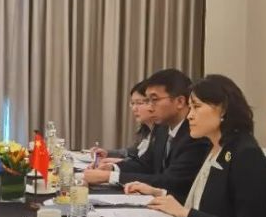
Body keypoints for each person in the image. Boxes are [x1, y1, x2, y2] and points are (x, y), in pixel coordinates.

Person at [126, 75, 266, 217]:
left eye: (196, 107)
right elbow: (206, 204)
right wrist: (159, 193)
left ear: (223, 109)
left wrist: (186, 214)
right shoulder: (215, 146)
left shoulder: (245, 154)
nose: (190, 116)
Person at [83, 69, 210, 201]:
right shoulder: (162, 127)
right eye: (147, 101)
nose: (149, 107)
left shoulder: (195, 135)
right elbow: (145, 164)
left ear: (180, 102)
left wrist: (110, 177)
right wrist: (112, 168)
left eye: (154, 100)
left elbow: (171, 181)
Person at [93, 81, 154, 165]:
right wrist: (107, 153)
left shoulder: (163, 134)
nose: (134, 109)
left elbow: (147, 165)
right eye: (132, 103)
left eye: (139, 103)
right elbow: (131, 152)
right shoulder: (145, 129)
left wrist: (117, 163)